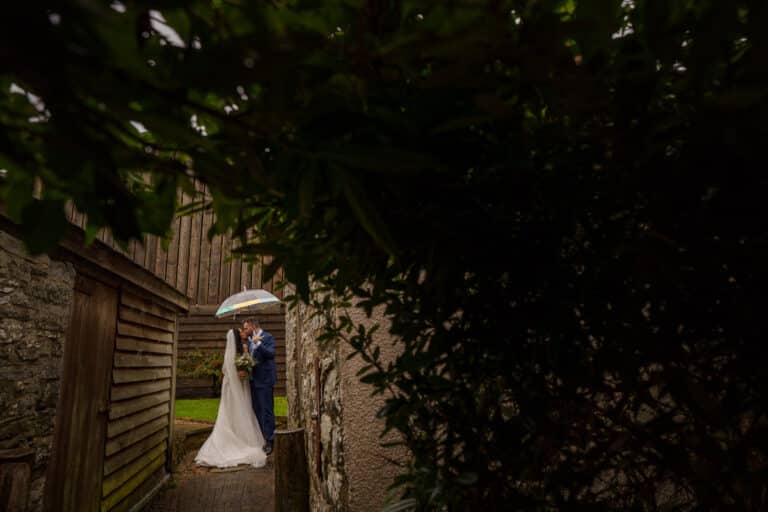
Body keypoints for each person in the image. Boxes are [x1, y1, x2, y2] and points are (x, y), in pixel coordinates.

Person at [195, 327, 267, 468]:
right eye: (240, 331)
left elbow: (246, 363)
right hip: (233, 387)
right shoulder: (231, 353)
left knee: (241, 410)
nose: (242, 332)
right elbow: (228, 369)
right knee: (232, 411)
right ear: (235, 336)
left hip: (241, 385)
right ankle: (233, 441)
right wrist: (241, 369)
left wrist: (246, 356)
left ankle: (241, 436)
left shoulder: (243, 347)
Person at [244, 317, 276, 455]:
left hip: (265, 380)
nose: (245, 331)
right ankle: (261, 438)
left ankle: (270, 440)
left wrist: (258, 344)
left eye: (246, 328)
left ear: (253, 326)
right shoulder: (248, 342)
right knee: (257, 411)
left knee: (266, 411)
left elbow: (271, 354)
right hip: (253, 380)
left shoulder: (267, 337)